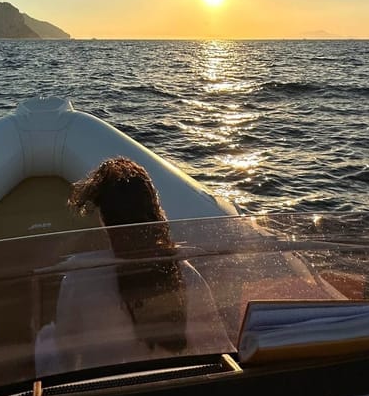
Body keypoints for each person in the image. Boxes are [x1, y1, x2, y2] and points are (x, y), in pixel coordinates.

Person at [35, 157, 232, 376]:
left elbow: (65, 361)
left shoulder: (77, 282)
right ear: (155, 211)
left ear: (104, 220)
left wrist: (44, 337)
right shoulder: (187, 276)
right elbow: (219, 351)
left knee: (45, 338)